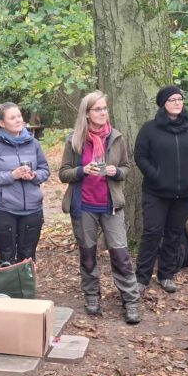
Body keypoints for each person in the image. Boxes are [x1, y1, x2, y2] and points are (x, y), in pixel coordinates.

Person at [59, 91, 142, 324]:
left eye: (105, 108)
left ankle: (131, 300)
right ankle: (92, 295)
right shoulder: (74, 140)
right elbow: (63, 173)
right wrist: (81, 171)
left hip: (111, 205)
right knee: (87, 254)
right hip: (83, 205)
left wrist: (118, 172)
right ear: (87, 113)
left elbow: (126, 167)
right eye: (98, 109)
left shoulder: (115, 137)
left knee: (121, 254)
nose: (103, 113)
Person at [134, 85, 188, 293]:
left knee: (174, 234)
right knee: (152, 232)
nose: (177, 103)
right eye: (172, 100)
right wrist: (155, 175)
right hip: (156, 192)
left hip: (184, 192)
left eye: (179, 99)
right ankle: (142, 277)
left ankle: (166, 274)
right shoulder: (150, 129)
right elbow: (140, 156)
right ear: (163, 104)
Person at [0, 103, 50, 266]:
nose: (18, 120)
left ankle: (26, 290)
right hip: (3, 209)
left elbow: (45, 170)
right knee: (6, 257)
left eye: (19, 116)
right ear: (2, 123)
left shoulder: (33, 143)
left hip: (32, 208)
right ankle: (6, 290)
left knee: (28, 257)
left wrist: (34, 175)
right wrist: (12, 175)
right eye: (12, 117)